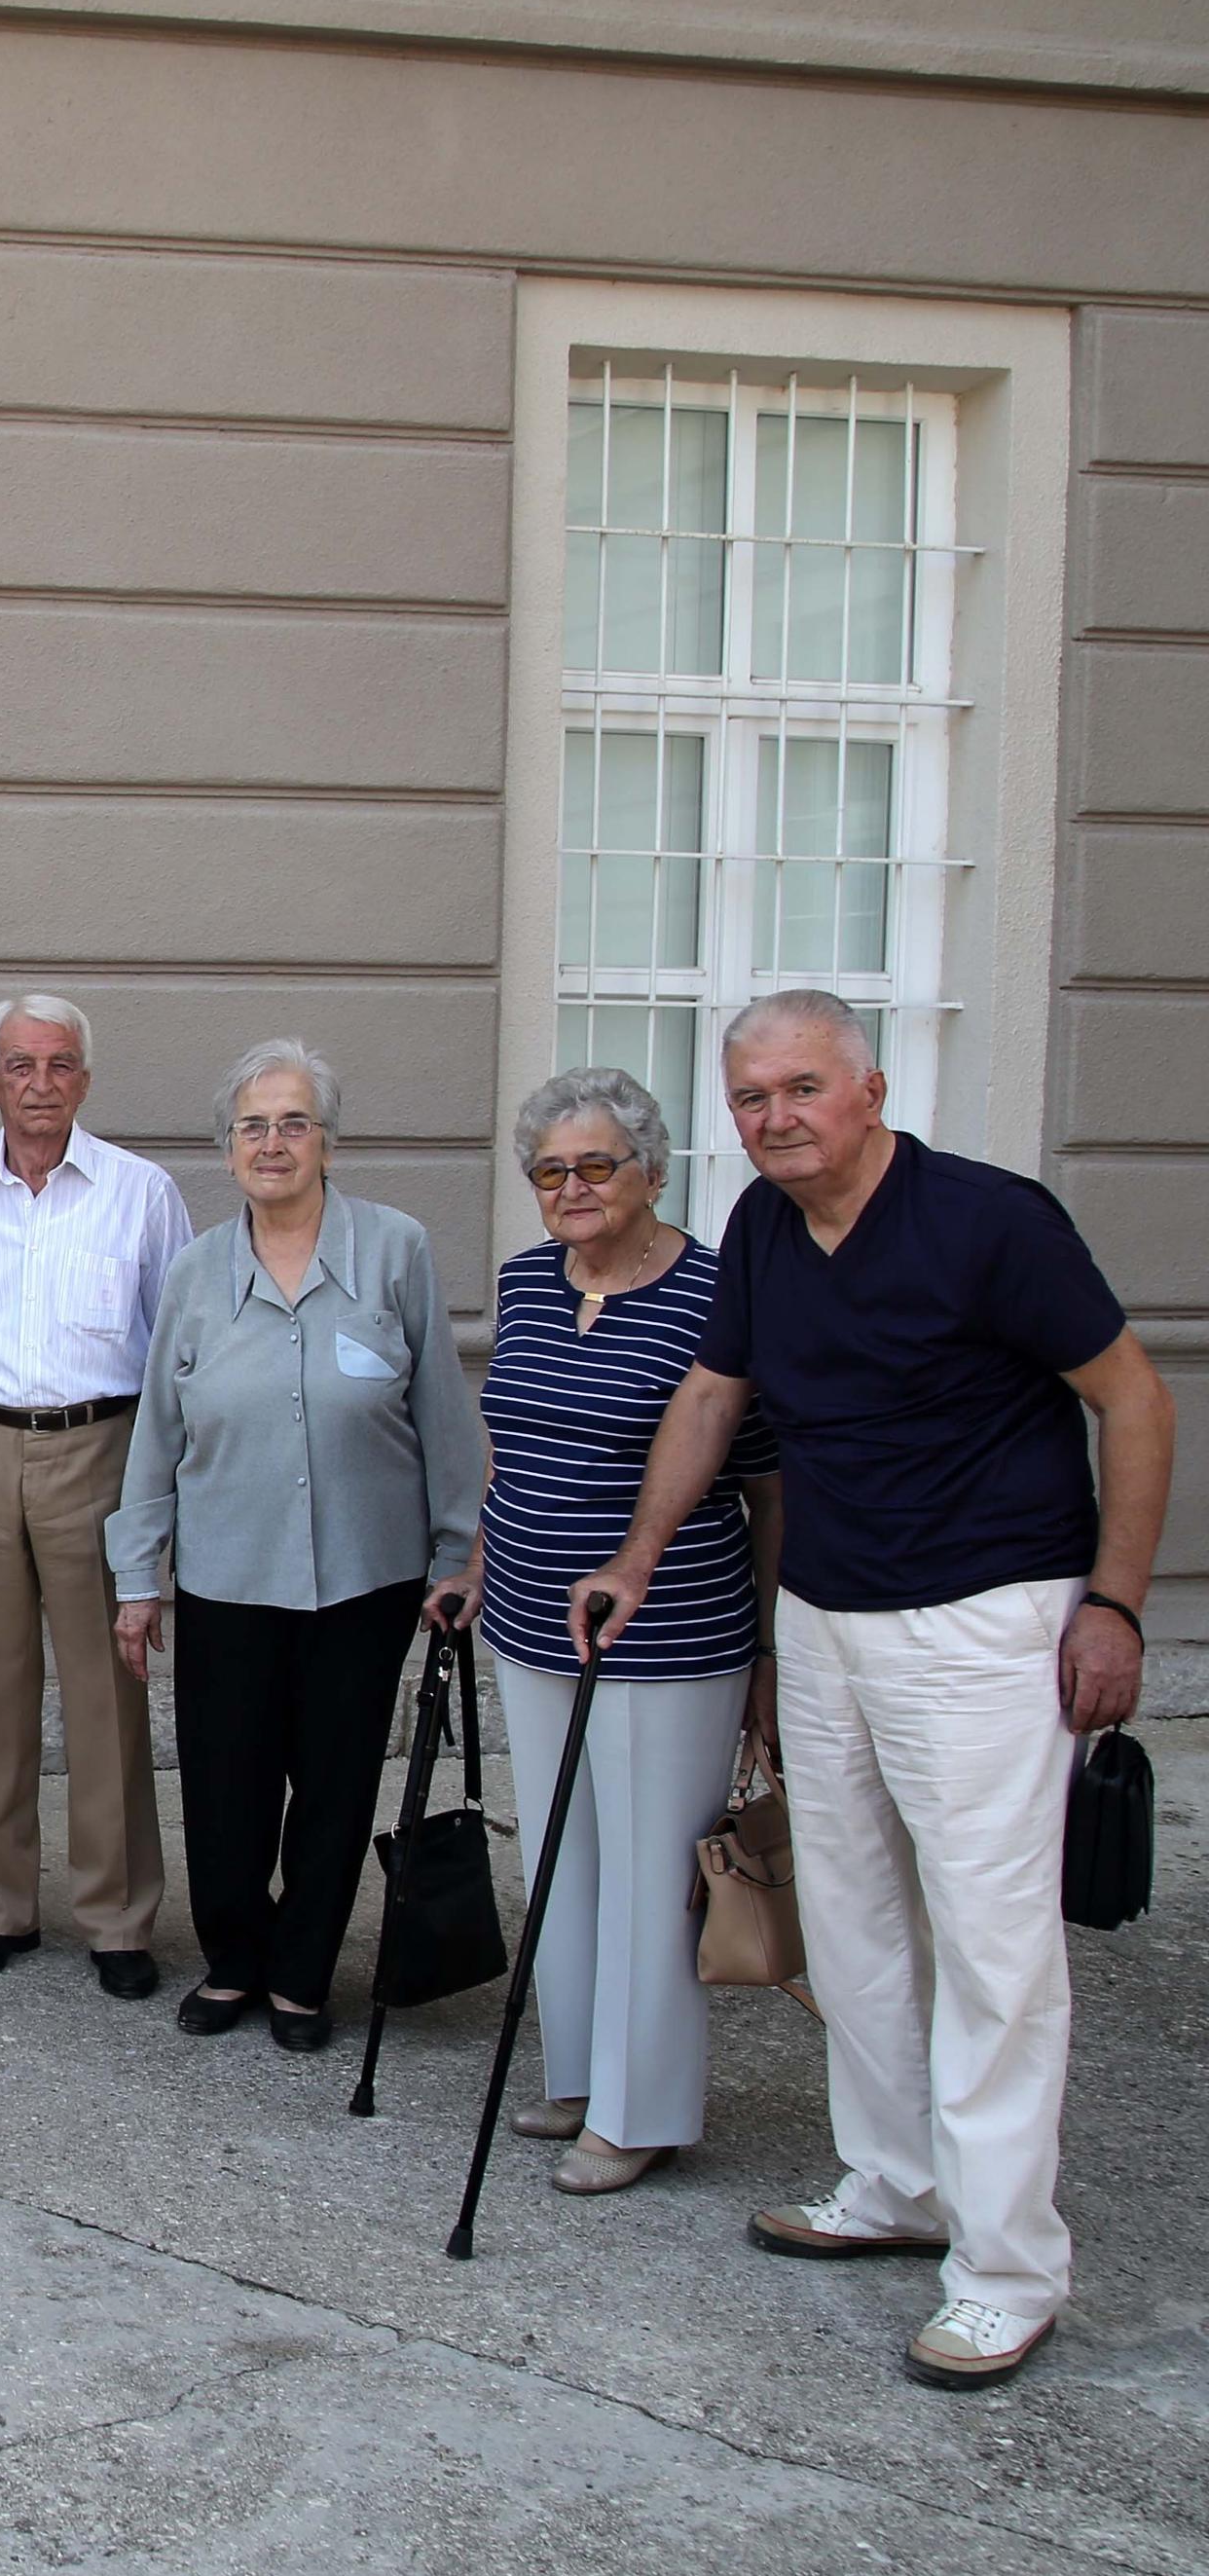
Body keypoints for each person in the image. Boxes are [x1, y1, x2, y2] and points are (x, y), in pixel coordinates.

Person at [574, 991, 1176, 2390]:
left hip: (985, 1617)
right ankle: (897, 2179)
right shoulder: (769, 1235)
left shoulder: (992, 1221)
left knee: (992, 1948)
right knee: (847, 1923)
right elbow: (714, 1396)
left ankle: (1007, 2265)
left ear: (870, 1089)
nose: (774, 1118)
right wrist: (641, 1557)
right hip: (830, 1615)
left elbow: (1136, 1401)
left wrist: (1115, 1605)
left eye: (800, 1089)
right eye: (749, 1099)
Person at [435, 1067, 782, 2198]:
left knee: (646, 1873)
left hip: (671, 1629)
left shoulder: (717, 1293)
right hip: (532, 1618)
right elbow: (511, 1445)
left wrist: (770, 1652)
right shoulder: (528, 1279)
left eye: (597, 1164)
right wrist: (478, 1565)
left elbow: (769, 1483)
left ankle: (644, 2110)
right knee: (562, 1860)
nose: (572, 1187)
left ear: (652, 1169)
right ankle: (580, 2072)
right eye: (550, 1169)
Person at [107, 1040, 485, 2054]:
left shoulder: (394, 1248)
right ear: (227, 1148)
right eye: (253, 1125)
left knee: (336, 1777)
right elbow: (158, 1435)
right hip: (229, 1572)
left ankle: (303, 1974)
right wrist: (136, 1574)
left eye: (294, 1121)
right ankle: (234, 1960)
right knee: (226, 1783)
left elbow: (443, 1413)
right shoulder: (195, 1271)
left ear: (328, 1140)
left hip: (367, 1574)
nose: (273, 1142)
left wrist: (459, 1554)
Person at [0, 992, 193, 2001]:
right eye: (19, 1066)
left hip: (102, 1449)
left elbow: (174, 1345)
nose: (39, 1084)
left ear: (86, 1078)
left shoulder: (142, 1192)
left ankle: (116, 1915)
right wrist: (1, 1418)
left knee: (108, 1684)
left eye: (60, 1064)